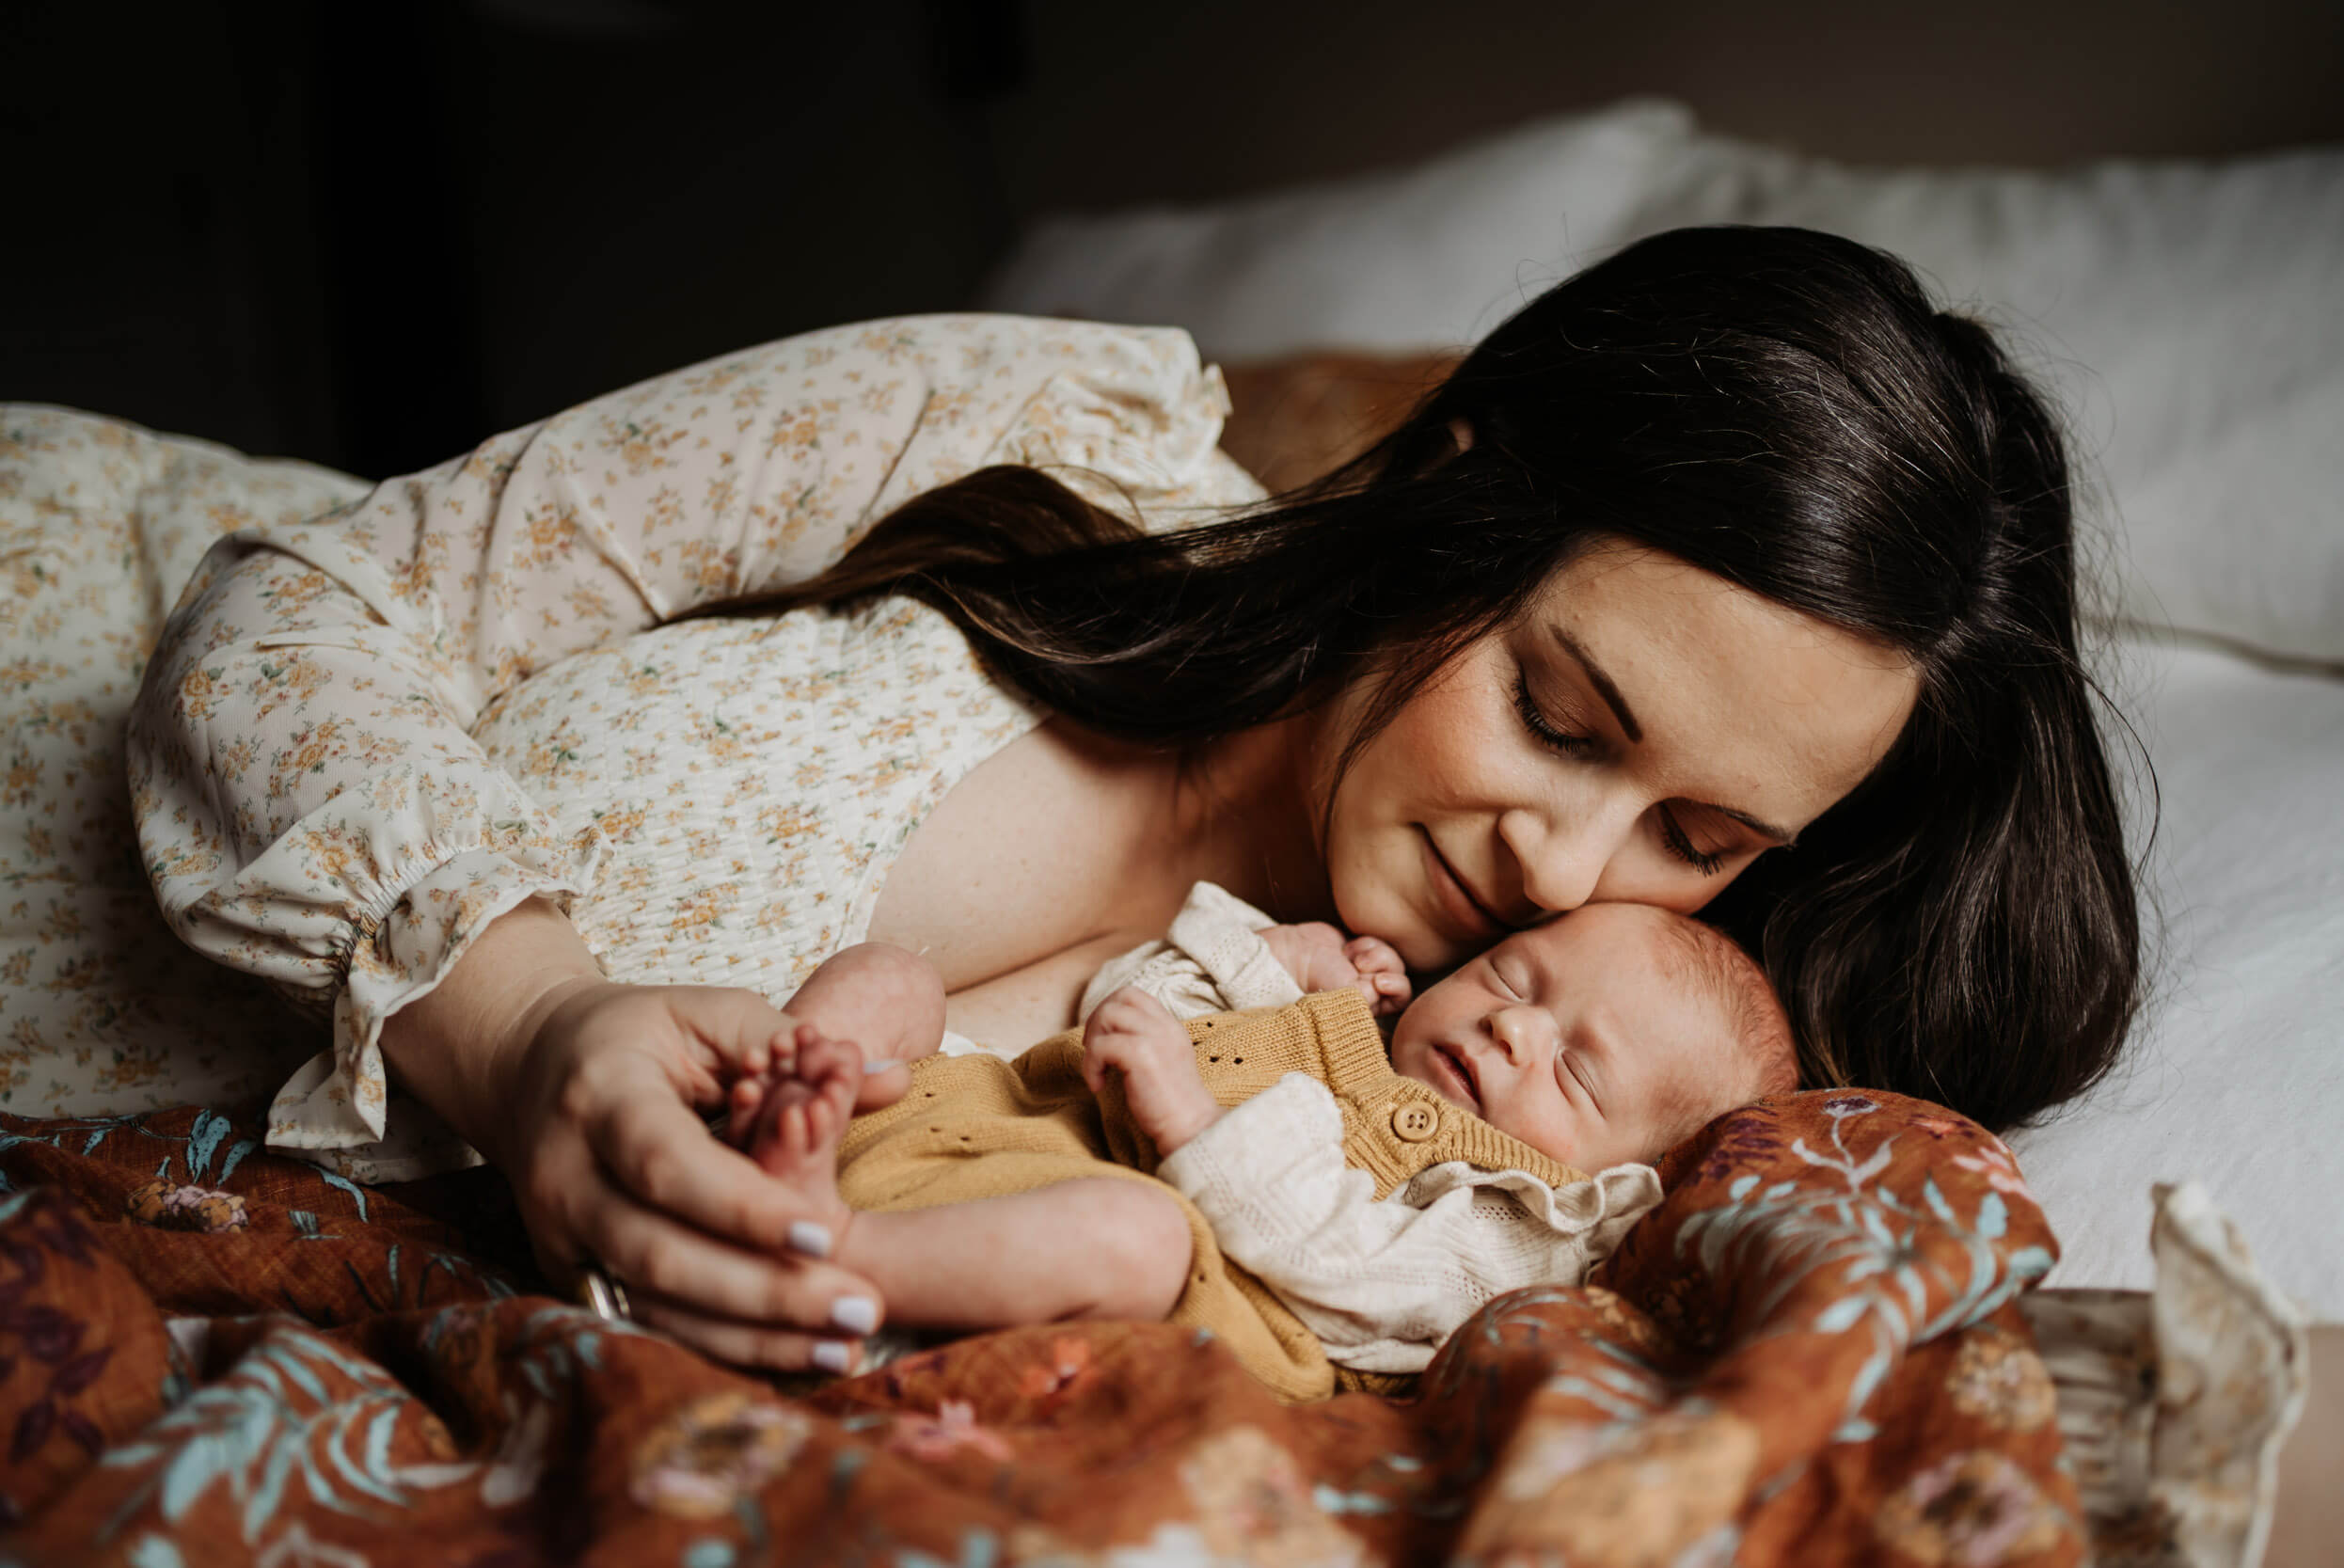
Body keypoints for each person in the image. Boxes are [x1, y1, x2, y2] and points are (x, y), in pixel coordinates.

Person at [127, 226, 2142, 1375]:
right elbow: (299, 600)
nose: (1562, 864)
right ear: (1453, 479)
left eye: (1696, 841)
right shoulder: (1049, 438)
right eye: (1555, 707)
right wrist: (528, 1017)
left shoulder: (1386, 1129)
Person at [721, 892, 1793, 1395]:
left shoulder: (1514, 1225)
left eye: (1575, 1069)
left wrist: (1193, 1120)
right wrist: (1264, 962)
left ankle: (814, 1259)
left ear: (1614, 1184)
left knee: (1135, 1230)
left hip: (1099, 1268)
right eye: (1513, 976)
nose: (1514, 1025)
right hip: (975, 1122)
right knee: (889, 976)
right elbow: (1119, 1014)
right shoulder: (1345, 1018)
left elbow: (1360, 1278)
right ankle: (762, 1142)